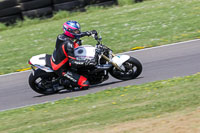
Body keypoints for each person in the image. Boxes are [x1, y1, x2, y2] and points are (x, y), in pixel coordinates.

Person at [51, 20, 96, 91]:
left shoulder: (61, 36)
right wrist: (86, 62)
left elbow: (78, 35)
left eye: (78, 30)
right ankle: (67, 83)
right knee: (85, 84)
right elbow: (72, 62)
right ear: (69, 31)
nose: (78, 32)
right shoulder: (69, 44)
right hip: (62, 68)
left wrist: (88, 33)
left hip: (58, 57)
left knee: (78, 43)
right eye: (76, 31)